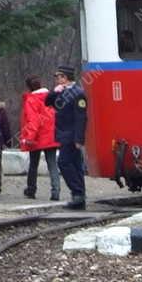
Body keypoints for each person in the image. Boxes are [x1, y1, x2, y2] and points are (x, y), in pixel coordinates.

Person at [44, 66, 88, 208]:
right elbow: (47, 102)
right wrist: (54, 92)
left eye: (59, 77)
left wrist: (79, 139)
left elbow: (81, 118)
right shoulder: (61, 91)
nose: (57, 80)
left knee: (64, 163)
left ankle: (77, 193)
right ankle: (79, 197)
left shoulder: (78, 93)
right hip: (63, 134)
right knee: (75, 165)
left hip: (71, 135)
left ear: (66, 77)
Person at [19, 74, 60, 200]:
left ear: (29, 87)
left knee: (33, 165)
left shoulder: (31, 100)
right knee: (52, 164)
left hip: (36, 138)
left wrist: (29, 138)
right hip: (51, 135)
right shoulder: (51, 96)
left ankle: (31, 190)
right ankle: (55, 191)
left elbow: (33, 121)